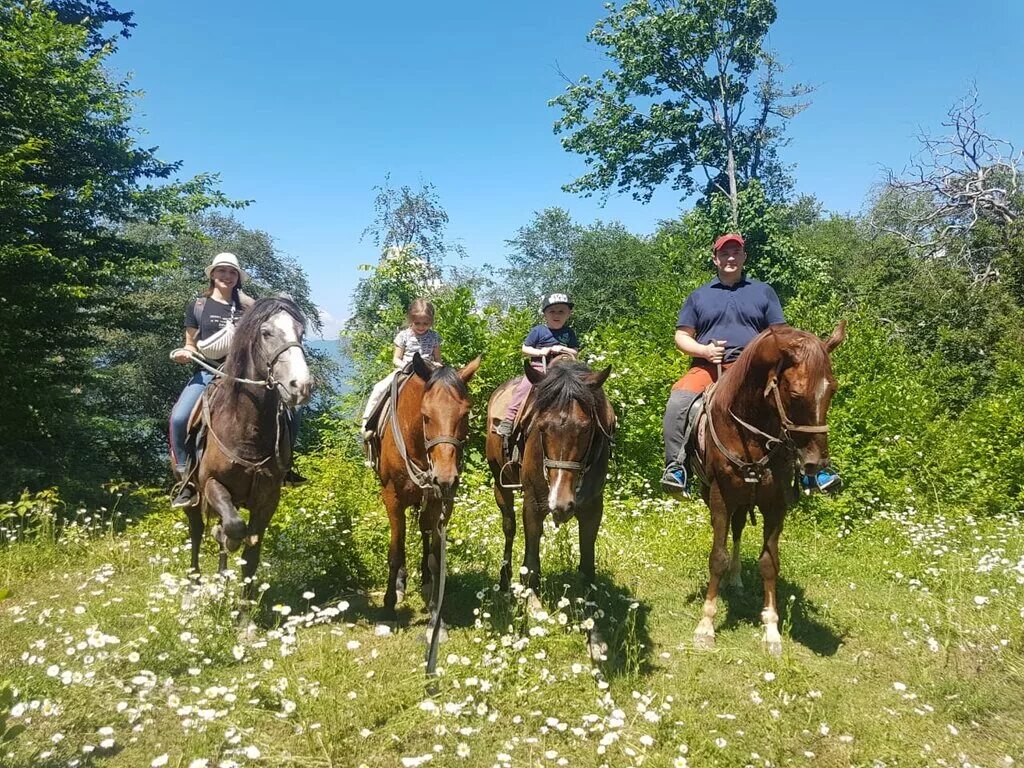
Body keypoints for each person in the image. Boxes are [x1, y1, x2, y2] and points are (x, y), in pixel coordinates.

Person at [660, 233, 841, 496]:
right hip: (709, 366)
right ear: (715, 259)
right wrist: (705, 350)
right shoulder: (698, 296)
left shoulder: (762, 291)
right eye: (724, 253)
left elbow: (780, 334)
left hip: (756, 372)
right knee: (679, 400)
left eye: (736, 253)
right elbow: (681, 336)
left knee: (798, 399)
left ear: (744, 257)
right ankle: (676, 468)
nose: (730, 258)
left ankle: (813, 469)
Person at [168, 252, 303, 509]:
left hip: (247, 375)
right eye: (222, 271)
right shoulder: (198, 306)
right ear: (212, 274)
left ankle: (285, 466)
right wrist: (187, 353)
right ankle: (185, 476)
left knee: (293, 411)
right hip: (210, 372)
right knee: (179, 417)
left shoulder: (248, 307)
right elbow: (190, 342)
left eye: (232, 272)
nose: (226, 276)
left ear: (238, 278)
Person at [495, 292, 579, 438]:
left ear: (568, 314)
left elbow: (575, 352)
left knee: (586, 384)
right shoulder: (539, 331)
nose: (556, 315)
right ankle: (509, 419)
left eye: (561, 311)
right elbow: (525, 349)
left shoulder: (569, 332)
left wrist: (562, 349)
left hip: (564, 368)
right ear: (544, 314)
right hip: (540, 366)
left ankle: (601, 419)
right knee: (524, 387)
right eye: (552, 311)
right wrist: (542, 352)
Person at [361, 298, 442, 438]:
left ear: (431, 322)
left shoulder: (434, 337)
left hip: (428, 372)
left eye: (426, 323)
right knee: (379, 388)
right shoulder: (403, 336)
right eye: (417, 323)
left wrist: (437, 365)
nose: (421, 327)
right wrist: (407, 365)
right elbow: (396, 359)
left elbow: (438, 359)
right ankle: (367, 422)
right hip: (406, 369)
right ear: (411, 320)